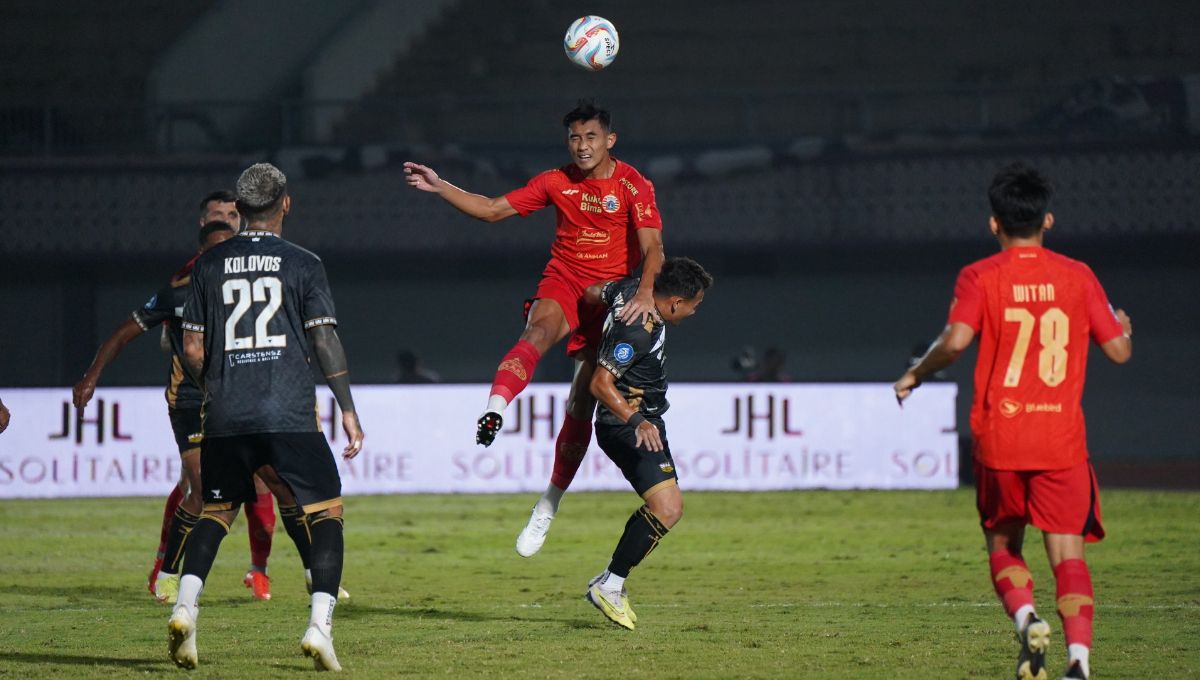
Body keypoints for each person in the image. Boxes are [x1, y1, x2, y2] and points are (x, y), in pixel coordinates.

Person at [894, 163, 1131, 680]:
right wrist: (1126, 329)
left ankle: (1027, 620)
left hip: (1001, 438)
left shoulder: (981, 276)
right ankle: (1079, 662)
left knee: (1004, 546)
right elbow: (1117, 350)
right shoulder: (1078, 275)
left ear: (994, 225)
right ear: (1048, 221)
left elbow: (955, 342)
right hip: (1061, 442)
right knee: (1068, 554)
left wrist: (916, 372)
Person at [404, 100, 665, 558]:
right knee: (535, 335)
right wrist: (440, 185)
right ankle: (495, 408)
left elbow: (654, 248)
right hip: (565, 280)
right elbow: (489, 210)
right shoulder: (555, 181)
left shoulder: (633, 185)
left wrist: (644, 294)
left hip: (610, 298)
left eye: (590, 138)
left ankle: (549, 503)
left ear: (610, 140)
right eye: (574, 138)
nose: (582, 147)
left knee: (581, 402)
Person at [168, 163, 363, 672]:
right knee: (326, 513)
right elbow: (323, 339)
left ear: (241, 208)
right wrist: (347, 409)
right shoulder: (303, 263)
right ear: (286, 204)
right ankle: (319, 627)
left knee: (216, 513)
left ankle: (185, 608)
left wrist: (215, 385)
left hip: (227, 413)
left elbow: (190, 344)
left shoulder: (208, 265)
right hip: (289, 412)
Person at [73, 192, 279, 603]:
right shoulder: (180, 286)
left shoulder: (257, 279)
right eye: (216, 216)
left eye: (232, 215)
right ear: (201, 234)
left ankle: (263, 571)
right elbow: (128, 331)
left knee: (264, 480)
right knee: (201, 487)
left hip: (241, 395)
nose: (225, 221)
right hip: (191, 398)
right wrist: (92, 376)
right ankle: (167, 570)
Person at [582, 257, 712, 630]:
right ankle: (610, 583)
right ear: (674, 303)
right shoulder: (641, 328)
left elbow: (592, 292)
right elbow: (599, 384)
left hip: (641, 422)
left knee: (666, 507)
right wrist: (637, 421)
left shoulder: (628, 292)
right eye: (694, 305)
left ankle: (611, 582)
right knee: (668, 508)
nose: (693, 312)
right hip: (629, 425)